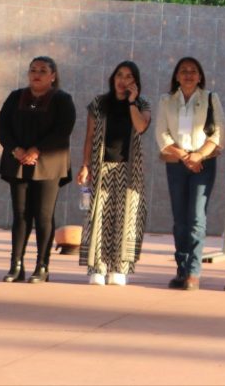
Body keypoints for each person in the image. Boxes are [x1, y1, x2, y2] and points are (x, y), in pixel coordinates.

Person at [0, 56, 76, 283]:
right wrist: (16, 149)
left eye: (42, 70)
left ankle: (42, 266)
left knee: (43, 215)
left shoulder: (62, 99)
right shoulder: (15, 97)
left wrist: (37, 150)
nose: (36, 74)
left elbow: (63, 129)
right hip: (19, 162)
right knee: (21, 215)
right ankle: (16, 265)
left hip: (49, 164)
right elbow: (2, 126)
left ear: (53, 76)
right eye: (33, 70)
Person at [77, 61, 151, 286]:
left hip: (129, 170)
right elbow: (90, 136)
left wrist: (132, 102)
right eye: (119, 75)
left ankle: (119, 268)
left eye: (128, 76)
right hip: (101, 167)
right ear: (113, 78)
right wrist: (85, 165)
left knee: (126, 217)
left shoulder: (142, 104)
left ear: (135, 81)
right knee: (98, 217)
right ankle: (97, 267)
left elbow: (141, 126)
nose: (123, 80)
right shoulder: (99, 103)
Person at [155, 57, 224, 291]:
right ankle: (181, 270)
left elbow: (219, 133)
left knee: (196, 218)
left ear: (200, 76)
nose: (188, 74)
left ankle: (194, 272)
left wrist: (199, 156)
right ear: (176, 76)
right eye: (183, 71)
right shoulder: (166, 100)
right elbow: (162, 134)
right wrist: (185, 157)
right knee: (180, 220)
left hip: (203, 164)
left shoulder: (210, 98)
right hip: (176, 163)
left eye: (193, 71)